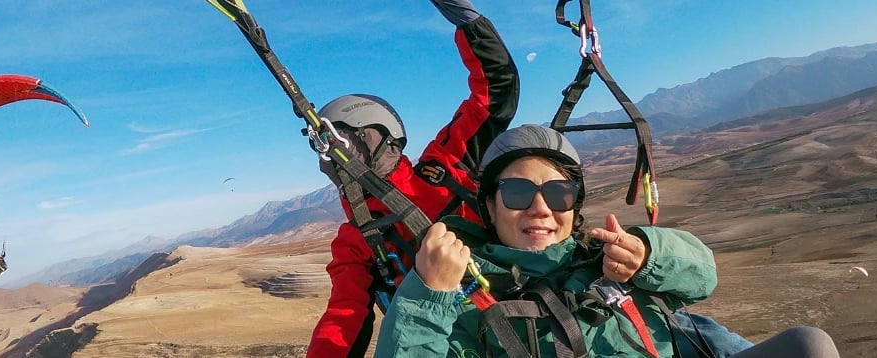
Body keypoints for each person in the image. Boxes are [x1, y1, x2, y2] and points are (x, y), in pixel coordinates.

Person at [375, 124, 840, 357]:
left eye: (557, 192)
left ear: (575, 204)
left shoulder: (608, 257)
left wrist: (649, 254)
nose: (540, 208)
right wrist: (426, 295)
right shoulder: (461, 296)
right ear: (489, 208)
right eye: (517, 193)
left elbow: (703, 277)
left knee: (809, 346)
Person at [304, 1, 520, 357]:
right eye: (326, 150)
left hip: (526, 307)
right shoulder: (356, 238)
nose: (334, 158)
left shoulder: (445, 166)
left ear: (378, 136)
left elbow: (493, 95)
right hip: (448, 342)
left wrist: (468, 21)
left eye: (342, 142)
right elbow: (344, 319)